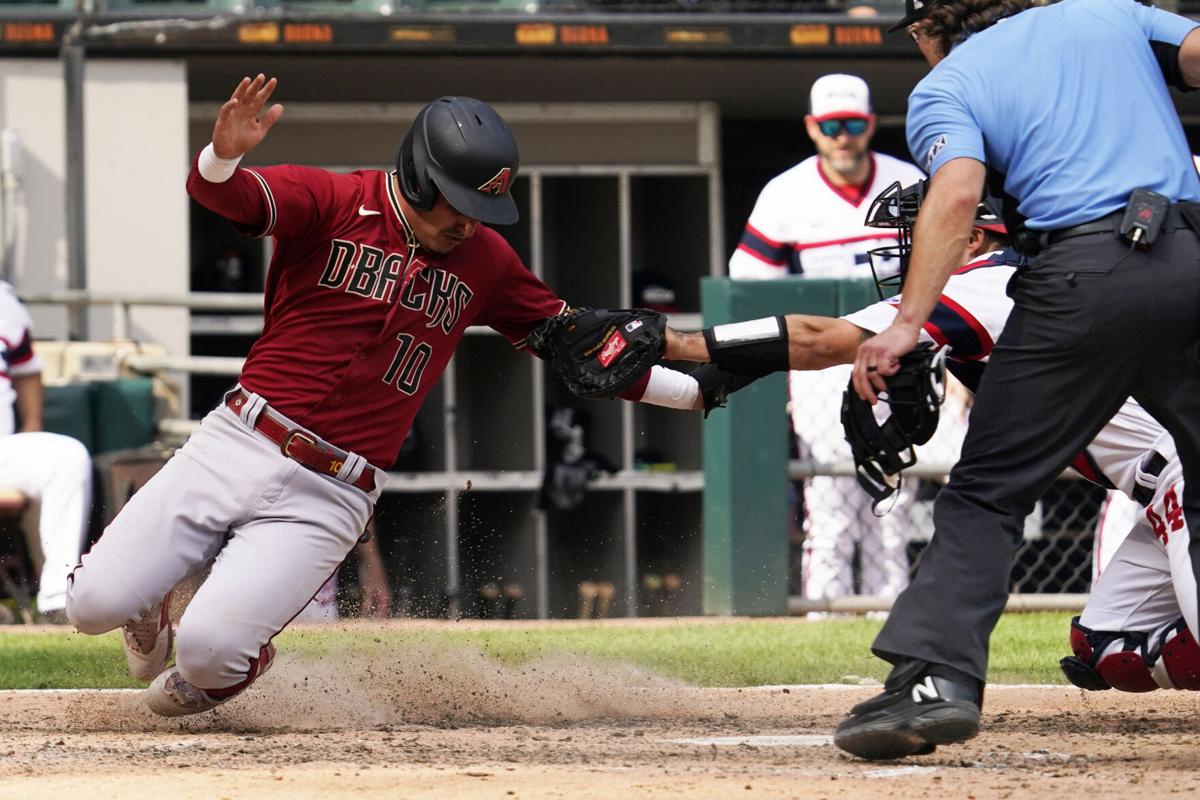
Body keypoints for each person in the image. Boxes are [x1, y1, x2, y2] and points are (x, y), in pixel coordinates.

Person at [65, 76, 701, 716]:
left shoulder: (487, 260)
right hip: (238, 440)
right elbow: (221, 192)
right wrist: (222, 155)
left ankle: (230, 657)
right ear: (419, 176)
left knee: (205, 662)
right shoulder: (335, 199)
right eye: (456, 203)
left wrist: (692, 396)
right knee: (88, 606)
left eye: (480, 210)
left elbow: (579, 348)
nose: (467, 223)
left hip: (332, 491)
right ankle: (148, 599)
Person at [664, 177, 1200, 699]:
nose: (905, 254)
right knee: (1110, 645)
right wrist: (727, 367)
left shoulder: (990, 279)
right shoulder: (1024, 280)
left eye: (921, 234)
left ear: (971, 238)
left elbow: (821, 338)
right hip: (1158, 486)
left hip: (1182, 468)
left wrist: (675, 341)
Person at [835, 0, 1200, 759]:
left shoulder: (952, 81)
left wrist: (906, 323)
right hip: (1193, 257)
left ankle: (936, 681)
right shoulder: (1113, 13)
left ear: (930, 27)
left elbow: (960, 191)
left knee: (987, 490)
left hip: (1084, 274)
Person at [729, 73, 925, 610]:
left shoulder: (908, 180)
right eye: (832, 126)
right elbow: (745, 283)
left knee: (895, 496)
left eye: (854, 125)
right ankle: (827, 620)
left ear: (869, 126)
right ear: (813, 129)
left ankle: (891, 614)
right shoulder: (785, 192)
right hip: (823, 362)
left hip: (901, 354)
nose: (843, 137)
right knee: (832, 498)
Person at [0, 282, 92, 624]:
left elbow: (26, 373)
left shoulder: (3, 300)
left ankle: (55, 603)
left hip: (2, 447)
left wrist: (32, 428)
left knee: (66, 456)